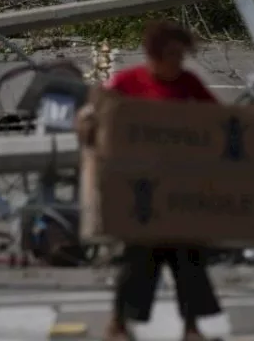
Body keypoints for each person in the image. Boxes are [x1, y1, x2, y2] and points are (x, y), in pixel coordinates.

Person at [78, 20, 224, 341]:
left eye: (181, 55)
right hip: (138, 189)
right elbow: (96, 110)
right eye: (172, 54)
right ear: (153, 54)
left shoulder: (188, 84)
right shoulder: (128, 83)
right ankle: (118, 324)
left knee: (188, 257)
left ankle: (191, 328)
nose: (178, 61)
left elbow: (220, 120)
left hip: (180, 187)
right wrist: (87, 121)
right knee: (140, 256)